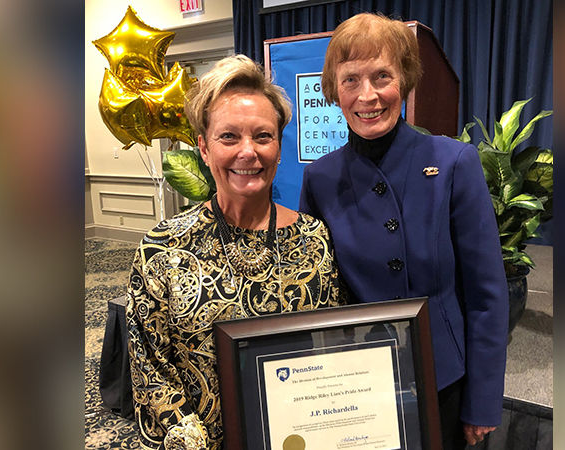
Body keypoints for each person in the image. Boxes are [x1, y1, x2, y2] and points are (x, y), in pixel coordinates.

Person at [299, 13, 508, 449]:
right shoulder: (320, 177)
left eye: (382, 77)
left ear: (406, 81)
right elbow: (316, 291)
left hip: (443, 375)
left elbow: (487, 294)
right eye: (351, 80)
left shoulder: (454, 162)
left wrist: (483, 400)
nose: (367, 95)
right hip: (356, 380)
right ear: (334, 91)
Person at [126, 54, 347, 450]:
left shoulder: (314, 240)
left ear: (279, 146)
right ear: (204, 148)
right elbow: (150, 369)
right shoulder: (162, 249)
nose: (249, 152)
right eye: (229, 137)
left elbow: (328, 349)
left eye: (263, 136)